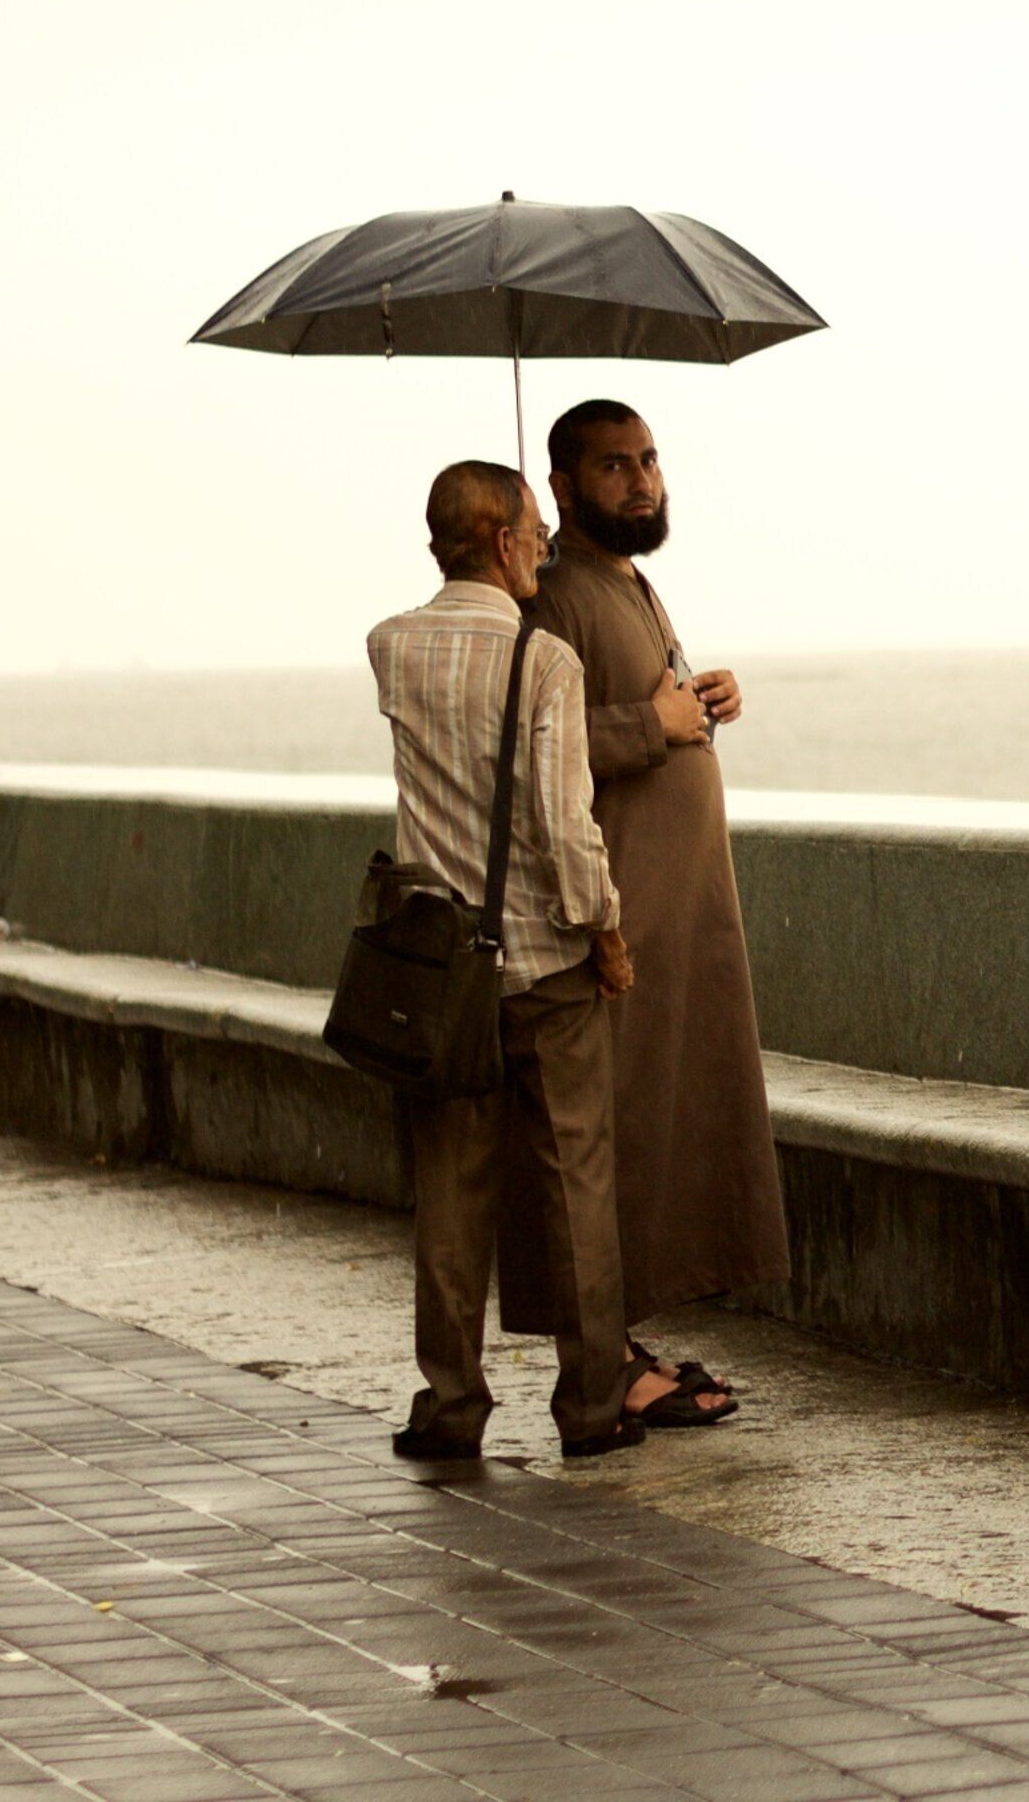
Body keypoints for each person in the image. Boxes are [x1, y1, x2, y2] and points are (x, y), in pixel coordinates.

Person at [492, 398, 779, 1427]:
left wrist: (700, 702)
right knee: (600, 1144)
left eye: (649, 460)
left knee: (653, 1138)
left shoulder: (631, 583)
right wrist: (648, 724)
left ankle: (624, 1346)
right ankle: (605, 1364)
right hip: (616, 923)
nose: (642, 480)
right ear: (561, 489)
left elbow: (644, 711)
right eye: (615, 467)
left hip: (674, 914)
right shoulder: (556, 594)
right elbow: (535, 744)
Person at [368, 462, 644, 1460]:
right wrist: (604, 931)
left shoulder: (390, 647)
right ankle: (592, 1409)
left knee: (449, 1193)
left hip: (442, 973)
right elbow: (565, 828)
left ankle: (449, 1407)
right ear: (502, 540)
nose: (544, 546)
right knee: (579, 1190)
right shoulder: (547, 663)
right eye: (534, 529)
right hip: (545, 969)